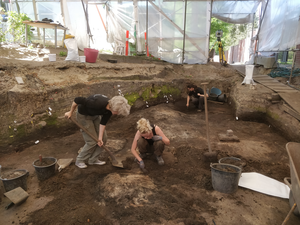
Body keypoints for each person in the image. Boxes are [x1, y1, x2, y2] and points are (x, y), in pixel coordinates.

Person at [65, 94, 131, 169]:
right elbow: (77, 99)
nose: (118, 114)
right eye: (118, 112)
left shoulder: (109, 110)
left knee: (103, 139)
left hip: (95, 115)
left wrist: (100, 138)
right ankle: (80, 160)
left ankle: (93, 160)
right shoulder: (97, 104)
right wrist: (70, 112)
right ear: (114, 108)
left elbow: (103, 123)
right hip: (84, 116)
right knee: (92, 141)